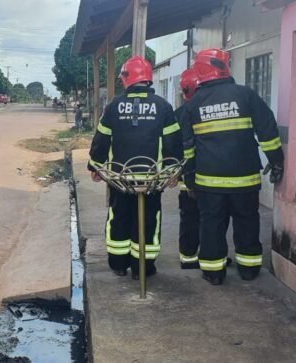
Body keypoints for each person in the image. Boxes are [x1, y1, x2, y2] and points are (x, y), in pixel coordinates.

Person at [181, 49, 284, 286]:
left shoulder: (193, 105)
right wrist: (276, 160)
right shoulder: (246, 95)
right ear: (223, 67)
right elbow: (267, 129)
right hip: (245, 179)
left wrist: (190, 178)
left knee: (211, 225)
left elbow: (187, 147)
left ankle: (213, 273)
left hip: (208, 182)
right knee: (247, 221)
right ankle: (249, 269)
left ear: (200, 71)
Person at [87, 56, 182, 280]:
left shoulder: (114, 106)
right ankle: (143, 268)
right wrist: (173, 172)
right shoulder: (163, 106)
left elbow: (102, 139)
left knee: (119, 219)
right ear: (148, 78)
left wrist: (95, 166)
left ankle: (119, 265)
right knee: (148, 222)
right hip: (152, 180)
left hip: (120, 179)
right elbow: (173, 143)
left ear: (126, 78)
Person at [175, 67, 201, 270]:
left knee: (189, 219)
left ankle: (188, 257)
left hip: (187, 178)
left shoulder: (179, 114)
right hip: (212, 178)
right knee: (212, 220)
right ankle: (211, 255)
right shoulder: (209, 109)